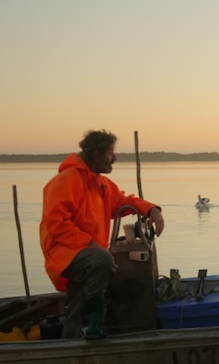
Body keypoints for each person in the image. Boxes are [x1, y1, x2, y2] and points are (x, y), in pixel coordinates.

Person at [40, 129, 165, 340]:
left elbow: (125, 201)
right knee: (102, 260)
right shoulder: (67, 180)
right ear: (96, 154)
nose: (114, 158)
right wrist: (90, 244)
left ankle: (70, 343)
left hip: (87, 254)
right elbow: (56, 224)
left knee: (79, 300)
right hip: (63, 253)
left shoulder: (101, 184)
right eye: (110, 153)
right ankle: (92, 329)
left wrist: (152, 210)